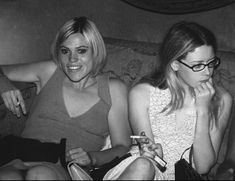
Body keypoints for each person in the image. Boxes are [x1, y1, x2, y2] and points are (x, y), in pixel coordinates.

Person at [0, 16, 131, 180]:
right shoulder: (49, 71)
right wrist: (3, 83)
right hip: (20, 155)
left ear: (95, 51)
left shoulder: (114, 88)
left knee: (40, 175)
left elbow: (123, 146)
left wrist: (92, 158)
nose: (72, 59)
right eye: (65, 51)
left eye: (81, 50)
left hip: (63, 166)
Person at [102, 21, 233, 180]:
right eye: (198, 65)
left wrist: (203, 110)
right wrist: (154, 155)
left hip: (184, 177)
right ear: (175, 64)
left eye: (211, 63)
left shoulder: (222, 99)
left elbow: (203, 167)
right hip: (141, 170)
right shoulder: (142, 94)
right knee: (144, 166)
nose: (207, 72)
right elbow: (148, 156)